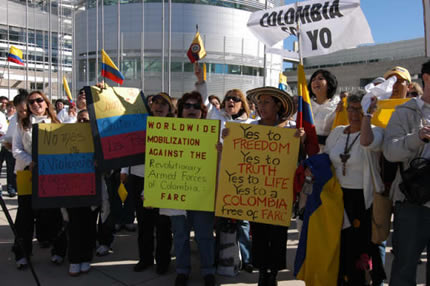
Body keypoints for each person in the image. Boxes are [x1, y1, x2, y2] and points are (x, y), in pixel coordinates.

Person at [194, 63, 254, 273]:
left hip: (240, 179)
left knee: (243, 220)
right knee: (219, 218)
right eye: (228, 97)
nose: (230, 100)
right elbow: (203, 101)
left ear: (242, 104)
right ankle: (224, 255)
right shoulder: (216, 116)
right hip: (217, 176)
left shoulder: (252, 125)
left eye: (235, 99)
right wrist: (202, 81)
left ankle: (247, 258)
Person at [241, 86, 301, 286]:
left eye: (266, 102)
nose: (261, 107)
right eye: (259, 103)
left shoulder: (291, 129)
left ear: (278, 105)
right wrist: (227, 138)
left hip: (280, 193)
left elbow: (300, 159)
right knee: (258, 234)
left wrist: (301, 140)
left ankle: (272, 273)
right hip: (257, 192)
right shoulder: (249, 127)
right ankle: (262, 271)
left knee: (277, 235)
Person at [323, 92, 384, 285]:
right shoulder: (337, 132)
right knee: (340, 247)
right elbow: (326, 159)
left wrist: (368, 116)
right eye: (351, 108)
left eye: (359, 108)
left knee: (361, 249)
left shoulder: (377, 132)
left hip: (363, 201)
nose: (353, 113)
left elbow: (366, 142)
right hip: (338, 198)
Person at [383, 60, 430, 286]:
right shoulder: (405, 112)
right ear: (427, 78)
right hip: (412, 203)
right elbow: (390, 152)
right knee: (404, 268)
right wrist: (417, 137)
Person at [164, 91, 216, 286]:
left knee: (204, 236)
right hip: (177, 194)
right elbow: (158, 163)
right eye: (188, 106)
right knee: (180, 235)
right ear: (180, 110)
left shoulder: (213, 133)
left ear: (202, 112)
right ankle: (182, 270)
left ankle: (208, 270)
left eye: (196, 106)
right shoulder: (168, 132)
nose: (192, 109)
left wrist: (221, 149)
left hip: (203, 194)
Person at [121, 92, 174, 274]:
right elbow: (128, 146)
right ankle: (145, 258)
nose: (159, 106)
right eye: (156, 103)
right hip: (138, 176)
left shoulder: (176, 128)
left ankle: (163, 261)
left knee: (163, 224)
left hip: (164, 179)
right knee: (144, 223)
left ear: (170, 109)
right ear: (150, 106)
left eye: (164, 104)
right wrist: (123, 170)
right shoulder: (139, 124)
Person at [12, 91, 66, 269]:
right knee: (25, 217)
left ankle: (58, 251)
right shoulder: (22, 124)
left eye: (39, 100)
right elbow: (16, 149)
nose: (35, 104)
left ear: (46, 102)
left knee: (53, 215)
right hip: (28, 174)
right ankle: (23, 254)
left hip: (51, 176)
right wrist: (30, 162)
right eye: (31, 102)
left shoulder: (57, 122)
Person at [66, 109, 99, 276]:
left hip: (92, 189)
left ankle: (86, 257)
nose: (82, 123)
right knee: (74, 225)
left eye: (86, 120)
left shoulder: (98, 139)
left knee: (89, 225)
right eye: (80, 120)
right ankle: (74, 259)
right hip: (72, 189)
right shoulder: (68, 137)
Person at [308, 69, 340, 146]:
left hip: (326, 152)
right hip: (305, 153)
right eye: (313, 79)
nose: (315, 82)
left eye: (320, 78)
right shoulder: (306, 105)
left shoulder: (338, 106)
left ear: (329, 84)